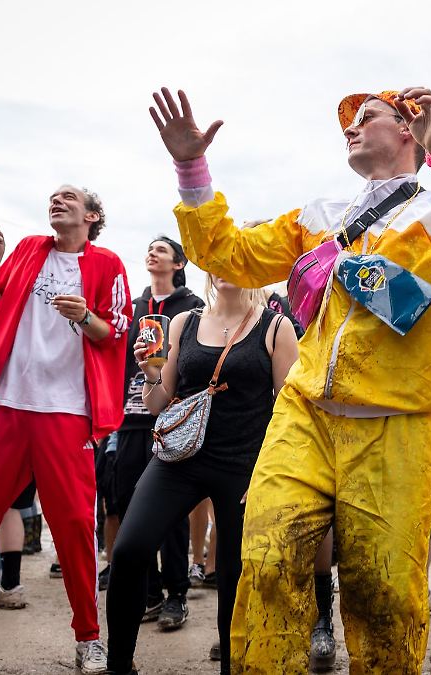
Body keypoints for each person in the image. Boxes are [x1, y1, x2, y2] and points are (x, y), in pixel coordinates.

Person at [148, 83, 431, 672]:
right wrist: (190, 166)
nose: (350, 127)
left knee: (386, 598)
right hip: (305, 417)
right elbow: (227, 253)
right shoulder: (321, 216)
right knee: (266, 564)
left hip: (396, 429)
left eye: (365, 116)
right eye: (347, 122)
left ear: (409, 130)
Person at [0, 186, 132, 675]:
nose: (57, 202)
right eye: (53, 197)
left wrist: (84, 316)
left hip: (65, 412)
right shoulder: (27, 249)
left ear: (91, 215)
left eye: (68, 198)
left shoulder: (107, 263)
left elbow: (116, 332)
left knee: (71, 526)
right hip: (0, 405)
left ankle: (88, 639)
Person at [107, 272, 297, 675]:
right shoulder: (184, 322)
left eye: (236, 259)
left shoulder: (276, 326)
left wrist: (269, 473)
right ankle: (119, 664)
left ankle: (234, 666)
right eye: (217, 261)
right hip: (180, 458)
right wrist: (151, 373)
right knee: (129, 550)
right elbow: (160, 403)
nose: (226, 267)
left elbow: (289, 413)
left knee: (232, 575)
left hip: (244, 468)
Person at [113, 236, 204, 630]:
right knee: (129, 502)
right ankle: (148, 592)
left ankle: (176, 594)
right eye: (148, 248)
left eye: (162, 250)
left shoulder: (194, 306)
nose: (152, 253)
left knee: (170, 509)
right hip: (130, 418)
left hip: (173, 419)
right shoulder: (133, 308)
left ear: (179, 263)